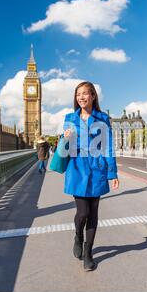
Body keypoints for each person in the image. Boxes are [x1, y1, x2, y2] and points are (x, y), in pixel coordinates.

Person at [63, 81, 120, 272]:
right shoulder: (69, 118)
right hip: (78, 169)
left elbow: (107, 147)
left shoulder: (103, 119)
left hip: (97, 169)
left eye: (85, 93)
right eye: (78, 94)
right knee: (82, 213)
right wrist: (66, 138)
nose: (81, 97)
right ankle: (78, 236)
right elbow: (66, 150)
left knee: (93, 214)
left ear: (93, 96)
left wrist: (112, 172)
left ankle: (88, 253)